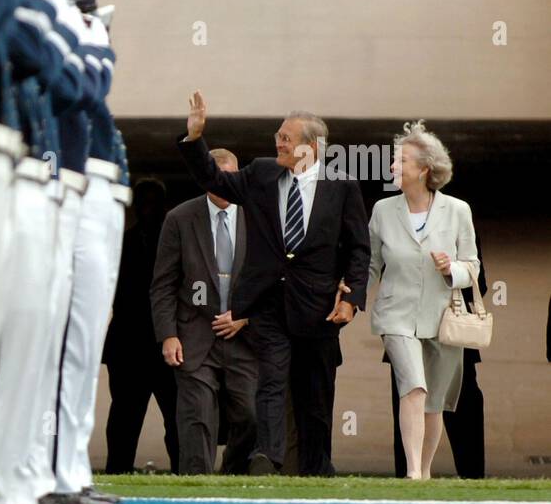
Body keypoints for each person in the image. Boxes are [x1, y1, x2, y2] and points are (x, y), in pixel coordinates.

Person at [177, 91, 370, 476]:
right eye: (278, 135)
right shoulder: (262, 173)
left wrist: (352, 299)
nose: (277, 142)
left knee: (315, 394)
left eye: (286, 137)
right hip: (267, 303)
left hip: (319, 310)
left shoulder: (341, 186)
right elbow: (213, 178)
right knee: (271, 381)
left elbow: (358, 249)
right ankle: (268, 456)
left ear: (311, 147)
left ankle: (317, 466)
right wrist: (195, 138)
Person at [369, 121, 479, 480]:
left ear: (424, 170)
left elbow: (473, 267)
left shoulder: (458, 210)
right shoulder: (383, 210)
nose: (392, 167)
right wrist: (349, 296)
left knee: (433, 402)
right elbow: (370, 263)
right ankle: (413, 472)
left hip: (442, 316)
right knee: (414, 386)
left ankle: (426, 472)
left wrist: (452, 270)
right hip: (396, 316)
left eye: (400, 161)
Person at [150, 149, 258, 474]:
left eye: (228, 178)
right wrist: (168, 335)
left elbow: (273, 278)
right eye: (215, 177)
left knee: (250, 415)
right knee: (196, 419)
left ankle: (232, 478)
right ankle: (196, 489)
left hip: (245, 340)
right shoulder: (180, 219)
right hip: (194, 337)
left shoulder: (258, 216)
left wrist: (245, 316)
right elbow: (164, 284)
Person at [389, 229, 487, 478]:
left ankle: (473, 479)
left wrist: (448, 271)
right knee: (409, 401)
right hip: (407, 327)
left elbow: (479, 281)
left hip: (449, 328)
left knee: (462, 403)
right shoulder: (393, 217)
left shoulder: (456, 215)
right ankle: (410, 476)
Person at [103, 177, 179, 473]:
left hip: (166, 345)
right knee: (123, 416)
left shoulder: (176, 243)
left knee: (176, 417)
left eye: (153, 202)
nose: (148, 208)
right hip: (127, 345)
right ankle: (117, 470)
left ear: (163, 206)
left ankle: (184, 470)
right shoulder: (120, 243)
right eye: (143, 202)